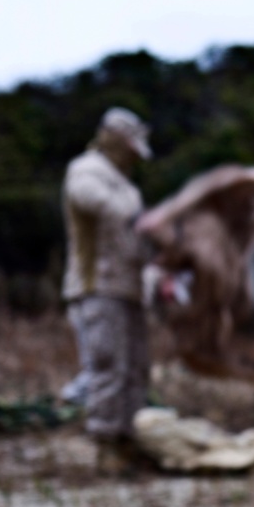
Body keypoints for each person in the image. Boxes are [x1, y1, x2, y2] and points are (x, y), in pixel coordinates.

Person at [61, 106, 152, 456]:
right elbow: (92, 202)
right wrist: (146, 222)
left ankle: (130, 437)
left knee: (136, 367)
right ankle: (107, 444)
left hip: (128, 287)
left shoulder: (125, 184)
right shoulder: (86, 171)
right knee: (108, 366)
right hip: (96, 285)